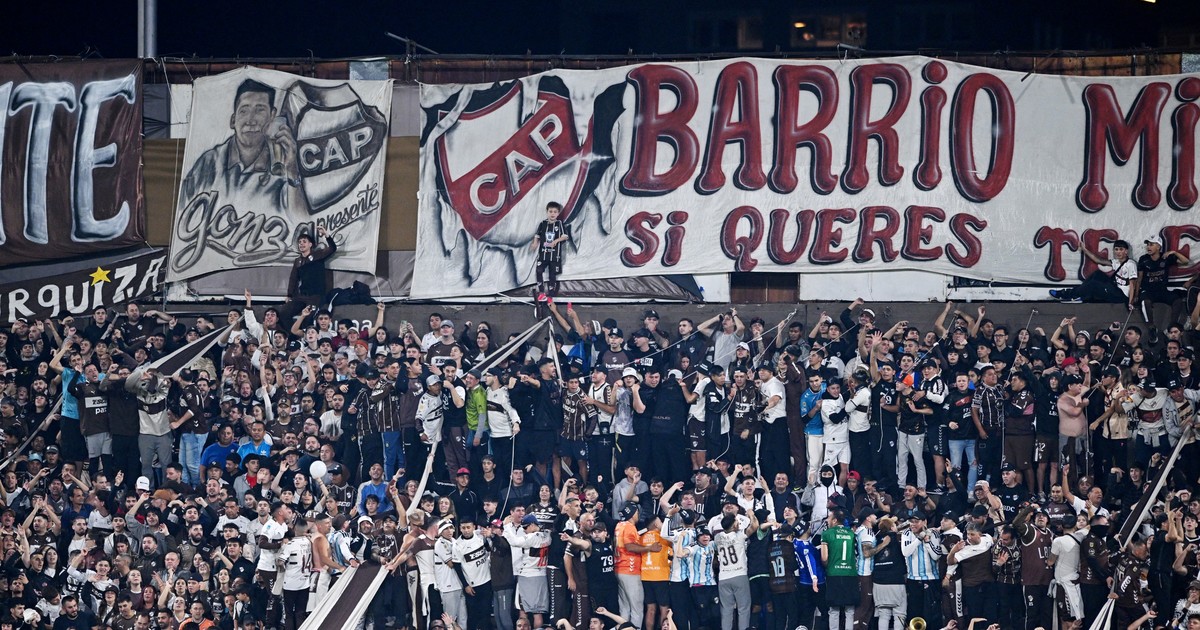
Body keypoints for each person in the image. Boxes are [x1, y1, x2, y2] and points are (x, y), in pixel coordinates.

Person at [532, 201, 569, 300]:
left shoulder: (559, 224)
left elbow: (565, 236)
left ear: (558, 213)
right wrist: (535, 243)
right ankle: (541, 292)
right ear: (547, 212)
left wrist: (556, 241)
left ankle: (551, 295)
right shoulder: (543, 223)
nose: (552, 214)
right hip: (543, 254)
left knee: (552, 275)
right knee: (539, 270)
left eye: (555, 212)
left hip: (554, 256)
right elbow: (537, 235)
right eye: (550, 211)